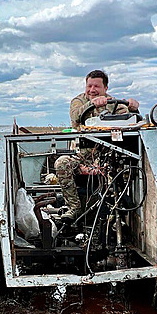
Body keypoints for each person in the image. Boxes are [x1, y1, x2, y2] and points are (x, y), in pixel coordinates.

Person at [56, 70, 140, 222]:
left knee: (125, 167)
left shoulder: (115, 104)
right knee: (62, 163)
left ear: (105, 88)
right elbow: (75, 116)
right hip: (84, 156)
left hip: (110, 154)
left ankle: (120, 210)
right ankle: (74, 208)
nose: (92, 90)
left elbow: (131, 121)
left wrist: (134, 108)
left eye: (96, 86)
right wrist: (92, 104)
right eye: (89, 86)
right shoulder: (79, 101)